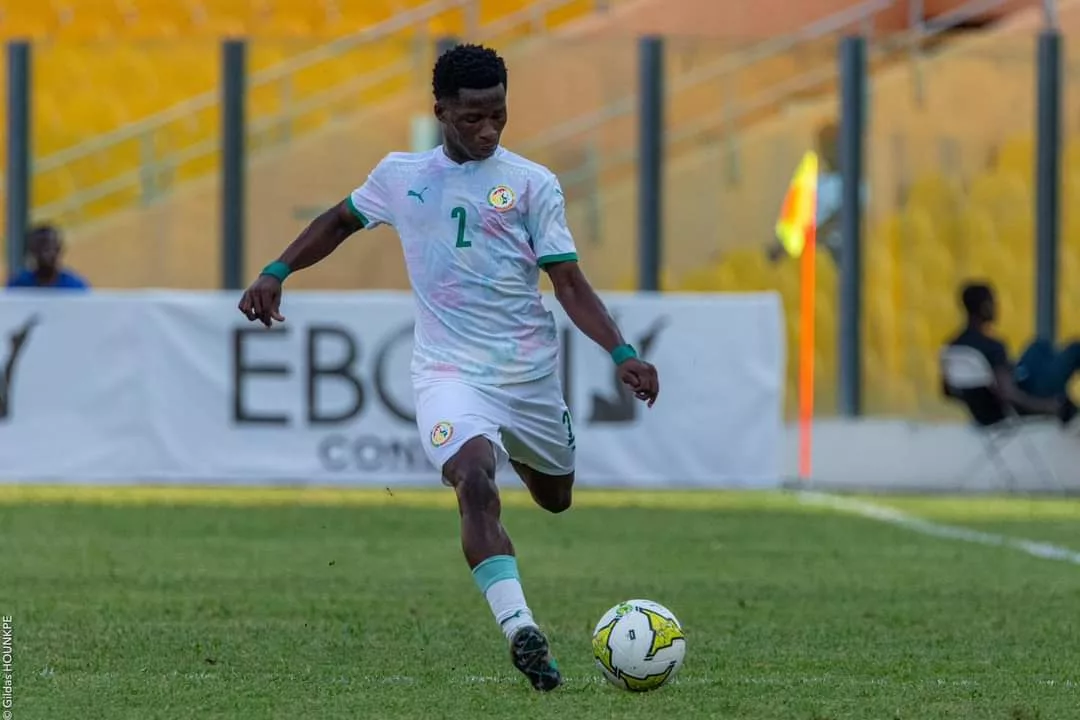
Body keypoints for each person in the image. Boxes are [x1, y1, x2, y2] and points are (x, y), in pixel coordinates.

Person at [237, 44, 659, 692]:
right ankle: (521, 629)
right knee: (472, 479)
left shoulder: (530, 184)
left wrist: (622, 352)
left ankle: (515, 449)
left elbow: (569, 284)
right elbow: (339, 220)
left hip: (527, 377)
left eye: (498, 115)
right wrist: (275, 271)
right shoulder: (401, 176)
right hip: (448, 373)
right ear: (439, 111)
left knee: (555, 499)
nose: (487, 130)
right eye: (472, 118)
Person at [944, 282, 1076, 425]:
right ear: (985, 307)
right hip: (1024, 401)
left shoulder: (953, 346)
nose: (997, 306)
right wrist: (1050, 407)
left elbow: (947, 390)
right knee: (1075, 349)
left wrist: (978, 394)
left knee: (1040, 346)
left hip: (986, 409)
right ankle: (1064, 399)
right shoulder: (992, 346)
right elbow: (1009, 394)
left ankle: (1063, 395)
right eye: (993, 302)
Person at [6, 224, 90, 290]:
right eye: (39, 247)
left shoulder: (74, 287)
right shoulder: (19, 285)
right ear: (31, 251)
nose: (44, 254)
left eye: (48, 248)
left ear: (59, 249)